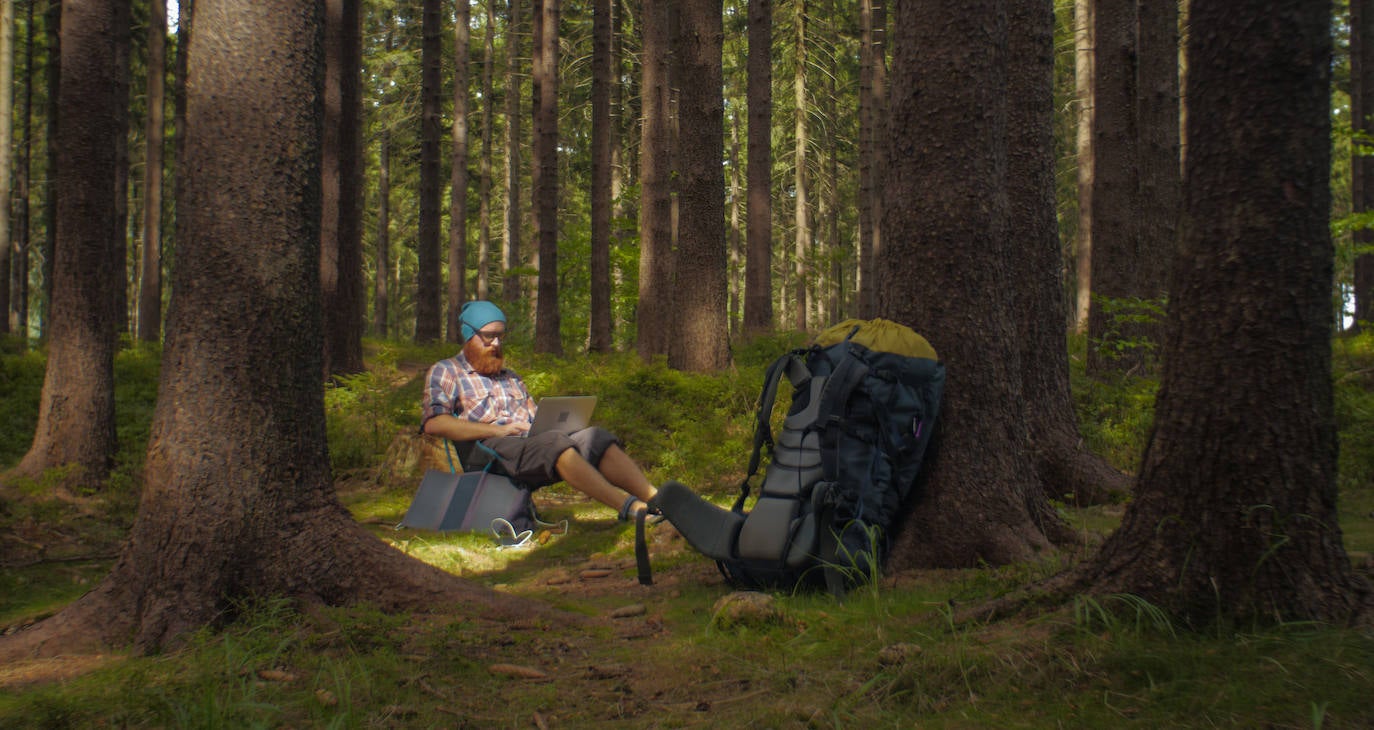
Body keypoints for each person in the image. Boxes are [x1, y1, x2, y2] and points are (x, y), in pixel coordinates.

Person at [421, 300, 659, 521]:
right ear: (469, 335)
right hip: (490, 452)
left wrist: (543, 425)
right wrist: (496, 431)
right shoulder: (447, 371)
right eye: (489, 337)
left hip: (532, 444)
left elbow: (534, 415)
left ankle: (656, 499)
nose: (497, 344)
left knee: (596, 438)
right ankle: (629, 508)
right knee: (553, 443)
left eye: (500, 337)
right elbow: (435, 423)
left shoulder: (510, 377)